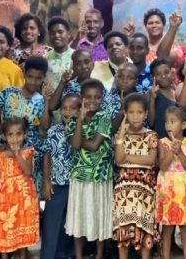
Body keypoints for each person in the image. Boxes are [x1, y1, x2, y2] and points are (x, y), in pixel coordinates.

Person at [66, 79, 113, 259]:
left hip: (100, 176)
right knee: (79, 218)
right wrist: (79, 120)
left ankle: (99, 255)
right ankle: (79, 255)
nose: (92, 101)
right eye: (88, 97)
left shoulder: (104, 116)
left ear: (102, 98)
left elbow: (93, 145)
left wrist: (78, 142)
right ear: (81, 98)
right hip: (80, 176)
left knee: (99, 217)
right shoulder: (72, 119)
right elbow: (75, 145)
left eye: (97, 97)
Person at [0, 56, 48, 196]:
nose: (33, 81)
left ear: (43, 78)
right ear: (24, 73)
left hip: (29, 154)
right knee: (5, 192)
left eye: (38, 78)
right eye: (30, 76)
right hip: (6, 149)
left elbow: (45, 126)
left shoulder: (41, 100)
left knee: (27, 193)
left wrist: (47, 102)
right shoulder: (8, 93)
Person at [112, 93, 160, 259]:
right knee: (123, 229)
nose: (135, 116)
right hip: (124, 192)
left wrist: (128, 157)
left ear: (146, 114)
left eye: (139, 112)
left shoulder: (151, 135)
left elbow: (150, 161)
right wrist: (121, 138)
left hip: (145, 191)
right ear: (125, 113)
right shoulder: (120, 135)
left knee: (145, 228)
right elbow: (119, 160)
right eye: (131, 112)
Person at [0, 117, 40, 259]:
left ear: (25, 134)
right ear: (5, 137)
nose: (15, 139)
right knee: (5, 231)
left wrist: (17, 154)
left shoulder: (28, 152)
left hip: (23, 199)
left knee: (21, 230)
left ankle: (23, 255)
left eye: (18, 134)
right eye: (10, 135)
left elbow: (28, 172)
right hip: (5, 200)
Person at [156, 106, 186, 259]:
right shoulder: (162, 143)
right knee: (167, 228)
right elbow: (162, 166)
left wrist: (179, 151)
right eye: (166, 122)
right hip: (167, 188)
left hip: (183, 189)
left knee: (185, 226)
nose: (168, 125)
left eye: (172, 121)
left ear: (183, 125)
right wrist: (171, 151)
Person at [41, 93, 78, 259]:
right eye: (64, 108)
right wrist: (46, 181)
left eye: (72, 108)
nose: (67, 112)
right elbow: (47, 155)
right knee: (52, 221)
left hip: (77, 184)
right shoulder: (54, 130)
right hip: (57, 183)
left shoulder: (83, 129)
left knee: (70, 222)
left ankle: (67, 254)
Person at [99, 63, 140, 132]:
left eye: (129, 78)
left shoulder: (140, 100)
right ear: (115, 78)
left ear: (136, 81)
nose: (124, 81)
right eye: (120, 76)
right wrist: (121, 111)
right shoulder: (106, 100)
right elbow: (107, 130)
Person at [147, 58, 179, 140]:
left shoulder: (177, 90)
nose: (163, 76)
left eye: (166, 72)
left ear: (171, 72)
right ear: (152, 77)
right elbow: (150, 123)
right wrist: (152, 98)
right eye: (158, 74)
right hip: (161, 141)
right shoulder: (152, 93)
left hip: (178, 141)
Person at [45, 16, 75, 91]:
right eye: (52, 33)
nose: (56, 35)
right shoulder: (45, 58)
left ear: (69, 34)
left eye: (60, 32)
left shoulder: (76, 56)